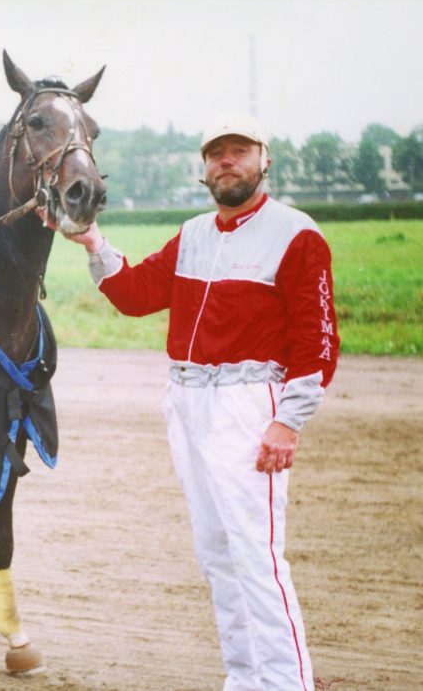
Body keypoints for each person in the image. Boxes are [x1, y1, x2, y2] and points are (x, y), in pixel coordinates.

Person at [69, 112, 338, 690]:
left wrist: (287, 423)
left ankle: (288, 685)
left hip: (250, 403)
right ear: (204, 168)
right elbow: (138, 295)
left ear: (264, 159)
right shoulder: (193, 234)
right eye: (216, 153)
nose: (226, 161)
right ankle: (244, 679)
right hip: (188, 401)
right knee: (217, 554)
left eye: (238, 150)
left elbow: (318, 341)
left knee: (256, 556)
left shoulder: (297, 233)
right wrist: (94, 241)